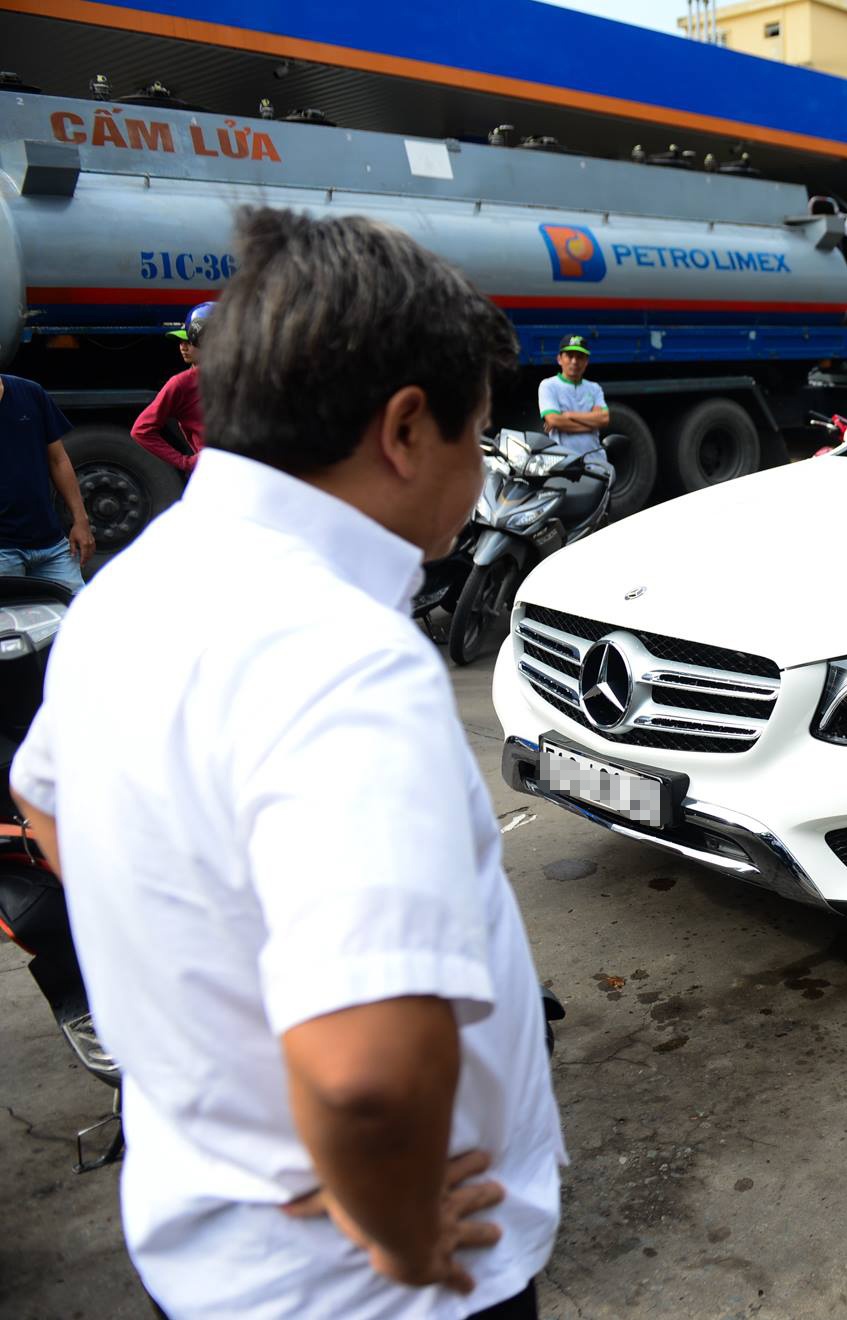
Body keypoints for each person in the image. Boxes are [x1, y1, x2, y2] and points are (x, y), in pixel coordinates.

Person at [8, 209, 563, 1318]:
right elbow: (367, 1078)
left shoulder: (135, 584)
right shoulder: (346, 660)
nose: (481, 466)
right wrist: (401, 1232)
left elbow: (45, 803)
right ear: (406, 428)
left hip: (205, 1251)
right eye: (478, 431)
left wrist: (196, 988)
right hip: (366, 1291)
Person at [0, 372, 93, 590]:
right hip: (3, 551)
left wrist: (81, 520)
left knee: (76, 609)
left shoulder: (30, 392)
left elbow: (58, 460)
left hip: (51, 545)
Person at [130, 300, 213, 474]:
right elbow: (141, 430)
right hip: (214, 475)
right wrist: (184, 462)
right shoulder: (181, 384)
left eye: (189, 340)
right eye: (180, 341)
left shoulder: (242, 376)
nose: (182, 346)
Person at [537, 334, 609, 454]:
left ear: (586, 361)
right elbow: (554, 420)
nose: (574, 361)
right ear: (559, 359)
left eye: (580, 357)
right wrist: (591, 425)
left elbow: (603, 418)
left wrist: (569, 415)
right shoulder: (548, 385)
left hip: (595, 460)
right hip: (564, 460)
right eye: (570, 356)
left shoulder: (594, 388)